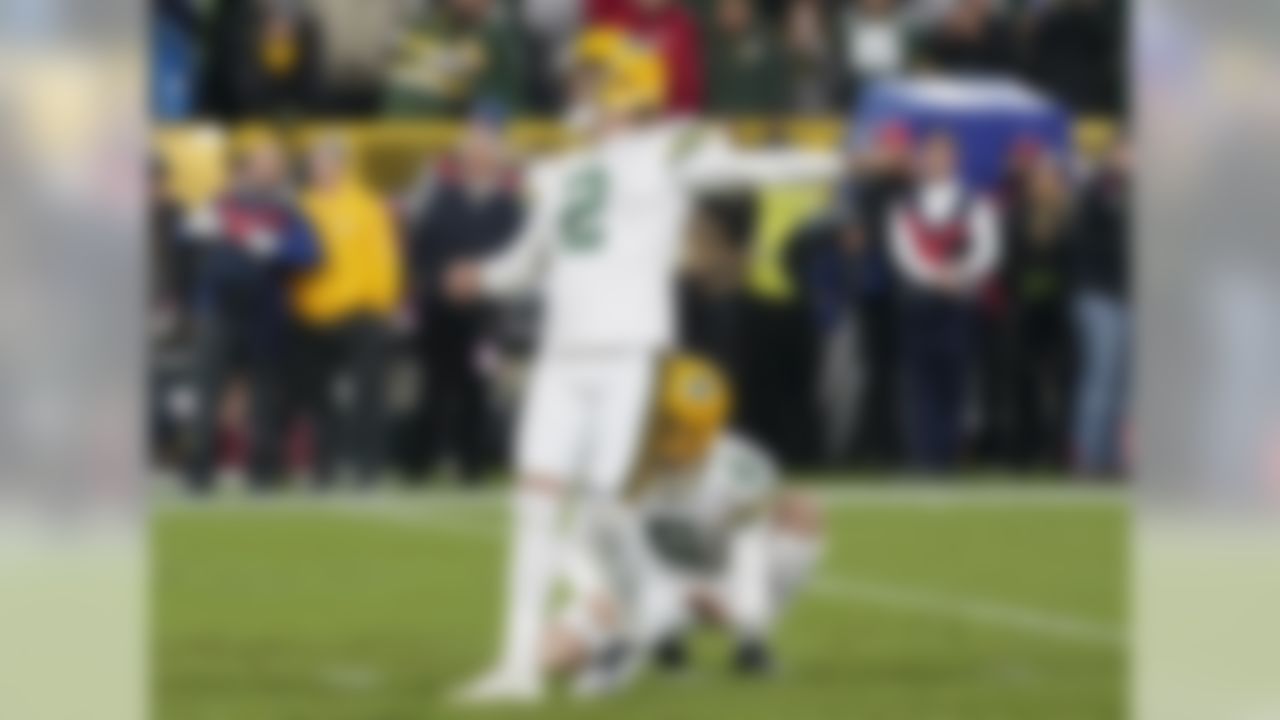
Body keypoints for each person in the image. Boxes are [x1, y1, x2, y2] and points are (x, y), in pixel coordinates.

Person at [443, 27, 839, 703]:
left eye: (595, 80)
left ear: (629, 90)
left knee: (604, 510)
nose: (581, 91)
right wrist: (482, 276)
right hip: (562, 354)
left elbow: (747, 171)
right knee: (534, 502)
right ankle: (517, 668)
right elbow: (529, 263)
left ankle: (644, 615)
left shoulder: (669, 150)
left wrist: (833, 163)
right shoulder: (564, 172)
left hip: (628, 350)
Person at [542, 355, 824, 693]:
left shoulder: (738, 469)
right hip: (645, 585)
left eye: (674, 423)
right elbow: (575, 543)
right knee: (552, 655)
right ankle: (661, 642)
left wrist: (748, 623)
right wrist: (597, 594)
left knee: (803, 508)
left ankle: (750, 651)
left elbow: (748, 549)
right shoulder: (620, 465)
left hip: (717, 583)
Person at [182, 132, 320, 492]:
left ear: (279, 171)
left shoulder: (287, 209)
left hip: (265, 310)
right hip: (218, 308)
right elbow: (184, 237)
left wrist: (275, 247)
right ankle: (199, 469)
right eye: (259, 163)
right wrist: (197, 230)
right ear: (247, 167)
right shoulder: (219, 203)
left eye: (272, 165)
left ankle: (262, 469)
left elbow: (310, 254)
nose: (265, 170)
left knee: (264, 394)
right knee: (207, 389)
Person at [402, 111, 523, 483]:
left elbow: (513, 255)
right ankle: (419, 463)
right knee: (433, 386)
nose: (478, 160)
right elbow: (421, 248)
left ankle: (472, 464)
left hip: (485, 312)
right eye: (472, 153)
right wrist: (441, 282)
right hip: (440, 308)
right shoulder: (441, 197)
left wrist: (480, 282)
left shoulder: (508, 206)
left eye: (486, 154)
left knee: (477, 386)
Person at [291, 135, 404, 486]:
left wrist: (384, 305)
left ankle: (367, 466)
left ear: (342, 165)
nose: (322, 167)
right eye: (317, 160)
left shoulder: (366, 205)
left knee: (369, 391)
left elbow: (385, 257)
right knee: (317, 394)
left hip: (360, 311)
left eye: (329, 161)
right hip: (311, 313)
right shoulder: (301, 205)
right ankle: (323, 465)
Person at [890, 130, 1001, 471]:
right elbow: (903, 251)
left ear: (955, 160)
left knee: (954, 380)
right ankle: (924, 458)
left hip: (959, 302)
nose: (938, 162)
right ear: (924, 160)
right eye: (932, 155)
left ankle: (948, 456)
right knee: (920, 381)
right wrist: (934, 277)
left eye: (945, 155)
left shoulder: (975, 203)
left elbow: (988, 251)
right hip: (921, 302)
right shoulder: (906, 205)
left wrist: (959, 275)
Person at [1004, 152, 1074, 468]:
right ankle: (1025, 449)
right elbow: (1010, 266)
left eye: (1050, 178)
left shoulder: (1069, 217)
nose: (1044, 185)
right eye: (1039, 179)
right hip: (1026, 309)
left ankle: (1058, 448)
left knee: (1062, 382)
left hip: (1059, 309)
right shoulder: (1017, 216)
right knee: (1024, 382)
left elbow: (1073, 264)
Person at [1071, 139, 1130, 476]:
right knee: (1101, 379)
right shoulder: (1098, 190)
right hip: (1100, 295)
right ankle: (1090, 458)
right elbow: (1098, 242)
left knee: (1125, 384)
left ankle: (1117, 457)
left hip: (1128, 296)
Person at [382, 0, 523, 116]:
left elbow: (501, 99)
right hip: (403, 134)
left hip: (462, 140)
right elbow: (404, 93)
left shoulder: (498, 40)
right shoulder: (420, 30)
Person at [705, 0, 783, 115]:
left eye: (736, 7)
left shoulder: (766, 44)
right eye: (725, 8)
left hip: (757, 121)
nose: (730, 13)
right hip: (718, 121)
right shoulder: (710, 45)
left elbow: (776, 93)